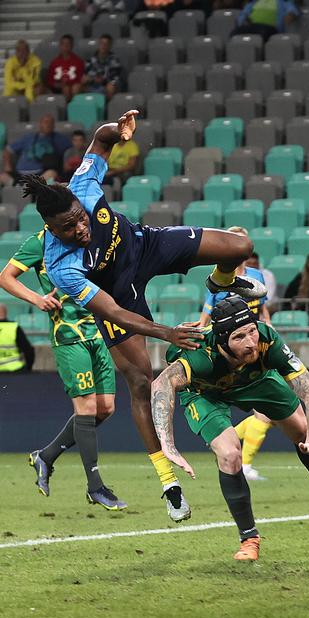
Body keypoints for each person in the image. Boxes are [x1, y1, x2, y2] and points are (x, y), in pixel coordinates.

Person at [19, 109, 267, 523]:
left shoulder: (83, 185)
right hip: (119, 296)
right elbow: (114, 312)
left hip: (145, 245)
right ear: (50, 229)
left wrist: (118, 131)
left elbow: (100, 139)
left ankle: (220, 282)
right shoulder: (61, 265)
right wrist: (166, 332)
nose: (81, 228)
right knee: (140, 384)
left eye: (80, 218)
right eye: (68, 227)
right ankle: (169, 484)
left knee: (239, 247)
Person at [151, 296, 309, 561]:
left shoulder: (267, 340)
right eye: (239, 337)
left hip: (256, 379)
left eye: (252, 331)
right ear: (222, 340)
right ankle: (249, 538)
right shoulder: (200, 355)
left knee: (302, 428)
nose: (251, 342)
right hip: (205, 392)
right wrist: (168, 445)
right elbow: (160, 384)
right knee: (229, 454)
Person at [1, 230, 124, 509]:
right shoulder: (40, 242)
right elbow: (5, 277)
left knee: (106, 408)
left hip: (97, 334)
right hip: (68, 336)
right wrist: (37, 299)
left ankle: (45, 456)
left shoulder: (89, 235)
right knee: (86, 408)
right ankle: (96, 487)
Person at [197, 227, 273, 481]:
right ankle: (244, 464)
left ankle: (225, 441)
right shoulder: (218, 278)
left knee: (268, 414)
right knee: (265, 413)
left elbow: (261, 307)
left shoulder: (256, 275)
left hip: (256, 345)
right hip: (233, 351)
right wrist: (201, 334)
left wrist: (269, 326)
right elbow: (208, 313)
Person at [1, 114, 71, 185]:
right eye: (46, 122)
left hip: (41, 174)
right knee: (2, 177)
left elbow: (71, 150)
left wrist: (67, 163)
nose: (48, 125)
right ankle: (18, 185)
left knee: (51, 174)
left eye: (51, 123)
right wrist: (7, 165)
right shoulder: (28, 137)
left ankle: (30, 186)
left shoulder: (59, 139)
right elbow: (8, 150)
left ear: (53, 126)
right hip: (20, 174)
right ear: (40, 124)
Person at [233, 0, 299, 41]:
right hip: (253, 26)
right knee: (235, 33)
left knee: (263, 33)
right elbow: (243, 14)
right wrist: (243, 20)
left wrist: (291, 14)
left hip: (271, 27)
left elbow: (292, 9)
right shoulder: (254, 2)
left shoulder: (283, 1)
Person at [82, 34, 122, 101]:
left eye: (106, 44)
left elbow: (115, 78)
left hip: (106, 84)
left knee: (111, 86)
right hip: (92, 84)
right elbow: (85, 74)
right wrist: (90, 79)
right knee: (79, 85)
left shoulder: (114, 60)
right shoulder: (90, 60)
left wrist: (104, 80)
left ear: (110, 46)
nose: (103, 46)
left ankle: (106, 106)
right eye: (102, 43)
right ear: (99, 44)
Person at [45, 35, 85, 101]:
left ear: (72, 46)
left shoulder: (78, 61)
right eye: (63, 44)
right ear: (60, 46)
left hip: (73, 87)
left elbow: (81, 79)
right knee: (65, 88)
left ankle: (74, 105)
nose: (65, 46)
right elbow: (49, 80)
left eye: (68, 44)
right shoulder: (54, 62)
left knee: (72, 88)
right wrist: (58, 84)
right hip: (58, 88)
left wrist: (68, 83)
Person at [0, 303, 34, 372]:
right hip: (14, 371)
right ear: (6, 313)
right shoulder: (14, 327)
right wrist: (28, 369)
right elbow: (28, 350)